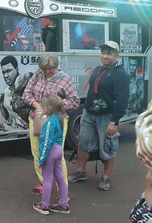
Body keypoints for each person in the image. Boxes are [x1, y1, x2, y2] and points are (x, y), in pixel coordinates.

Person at [68, 41, 130, 191]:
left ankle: (106, 178)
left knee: (108, 148)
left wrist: (114, 122)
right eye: (103, 53)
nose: (105, 56)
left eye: (109, 53)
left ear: (116, 55)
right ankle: (81, 172)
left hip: (106, 117)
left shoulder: (121, 74)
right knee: (83, 143)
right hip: (89, 114)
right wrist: (86, 110)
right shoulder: (97, 69)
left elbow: (122, 100)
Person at [23, 53, 80, 195]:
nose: (47, 71)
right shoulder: (37, 75)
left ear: (56, 66)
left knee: (55, 155)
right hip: (36, 119)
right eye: (44, 69)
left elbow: (74, 101)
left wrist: (55, 106)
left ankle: (63, 191)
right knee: (37, 152)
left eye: (51, 68)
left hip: (56, 121)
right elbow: (26, 94)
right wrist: (38, 106)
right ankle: (45, 182)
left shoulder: (64, 79)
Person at [33, 94, 70, 215]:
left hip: (51, 153)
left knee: (47, 179)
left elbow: (46, 142)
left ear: (49, 107)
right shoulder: (60, 119)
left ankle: (44, 205)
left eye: (43, 106)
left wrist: (41, 160)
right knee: (60, 177)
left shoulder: (49, 122)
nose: (42, 108)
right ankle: (64, 204)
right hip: (59, 150)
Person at [0, 55, 32, 128]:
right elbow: (9, 118)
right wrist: (1, 105)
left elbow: (28, 76)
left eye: (9, 71)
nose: (6, 76)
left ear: (17, 69)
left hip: (29, 129)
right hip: (14, 129)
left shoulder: (24, 82)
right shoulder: (6, 92)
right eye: (3, 72)